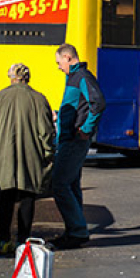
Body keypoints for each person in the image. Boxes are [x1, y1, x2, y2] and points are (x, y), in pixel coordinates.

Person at [0, 63, 56, 256]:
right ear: (27, 78)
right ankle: (23, 241)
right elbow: (46, 132)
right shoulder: (39, 100)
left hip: (2, 156)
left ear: (10, 77)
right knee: (28, 197)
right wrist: (48, 154)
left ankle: (3, 239)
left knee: (5, 198)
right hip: (31, 156)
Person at [50, 43, 106, 249]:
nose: (58, 67)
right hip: (70, 138)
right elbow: (80, 105)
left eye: (59, 62)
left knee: (60, 184)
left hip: (73, 140)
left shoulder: (82, 76)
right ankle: (76, 229)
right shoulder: (75, 77)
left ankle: (76, 231)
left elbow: (98, 102)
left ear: (68, 57)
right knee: (71, 185)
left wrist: (85, 128)